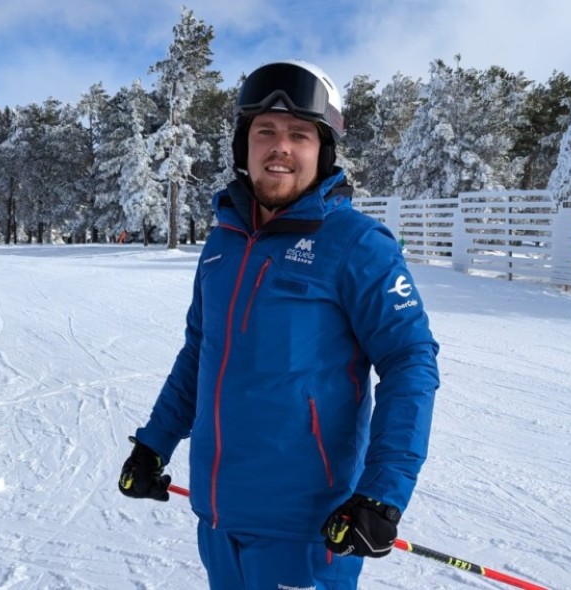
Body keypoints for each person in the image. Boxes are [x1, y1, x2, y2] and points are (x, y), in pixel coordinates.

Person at [119, 60, 440, 589]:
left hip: (309, 532)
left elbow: (411, 363)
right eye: (264, 131)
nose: (280, 147)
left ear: (323, 150)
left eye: (299, 134)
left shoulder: (358, 245)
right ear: (244, 144)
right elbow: (200, 353)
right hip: (220, 521)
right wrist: (154, 444)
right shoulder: (222, 243)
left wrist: (383, 492)